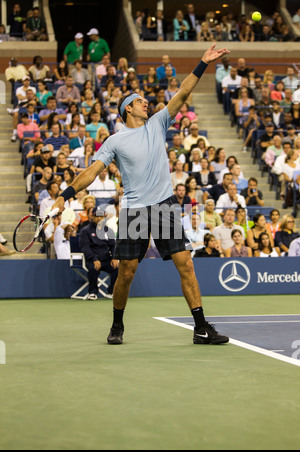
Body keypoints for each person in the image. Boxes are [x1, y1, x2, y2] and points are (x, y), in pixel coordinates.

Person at [52, 43, 231, 346]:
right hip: (135, 209)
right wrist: (66, 193)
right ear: (127, 109)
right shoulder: (114, 141)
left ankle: (201, 328)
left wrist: (202, 62)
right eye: (139, 101)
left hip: (164, 205)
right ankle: (117, 324)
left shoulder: (158, 123)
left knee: (185, 264)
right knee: (127, 272)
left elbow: (183, 93)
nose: (146, 102)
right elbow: (91, 172)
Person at [79, 205, 119, 300]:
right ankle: (93, 292)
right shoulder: (86, 231)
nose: (99, 218)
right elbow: (85, 247)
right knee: (93, 268)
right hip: (92, 259)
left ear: (104, 216)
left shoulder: (109, 231)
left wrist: (114, 258)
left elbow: (113, 246)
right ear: (92, 217)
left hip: (106, 259)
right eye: (96, 216)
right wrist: (94, 259)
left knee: (117, 268)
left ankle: (111, 291)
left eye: (101, 216)